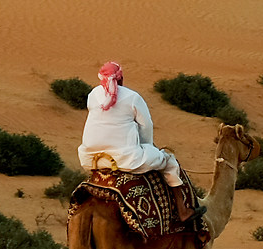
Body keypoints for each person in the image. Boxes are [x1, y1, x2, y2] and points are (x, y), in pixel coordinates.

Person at [78, 61, 185, 189]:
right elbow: (146, 126)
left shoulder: (93, 95)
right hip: (127, 160)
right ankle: (182, 206)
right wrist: (147, 147)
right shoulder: (133, 97)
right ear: (121, 78)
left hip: (90, 159)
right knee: (168, 161)